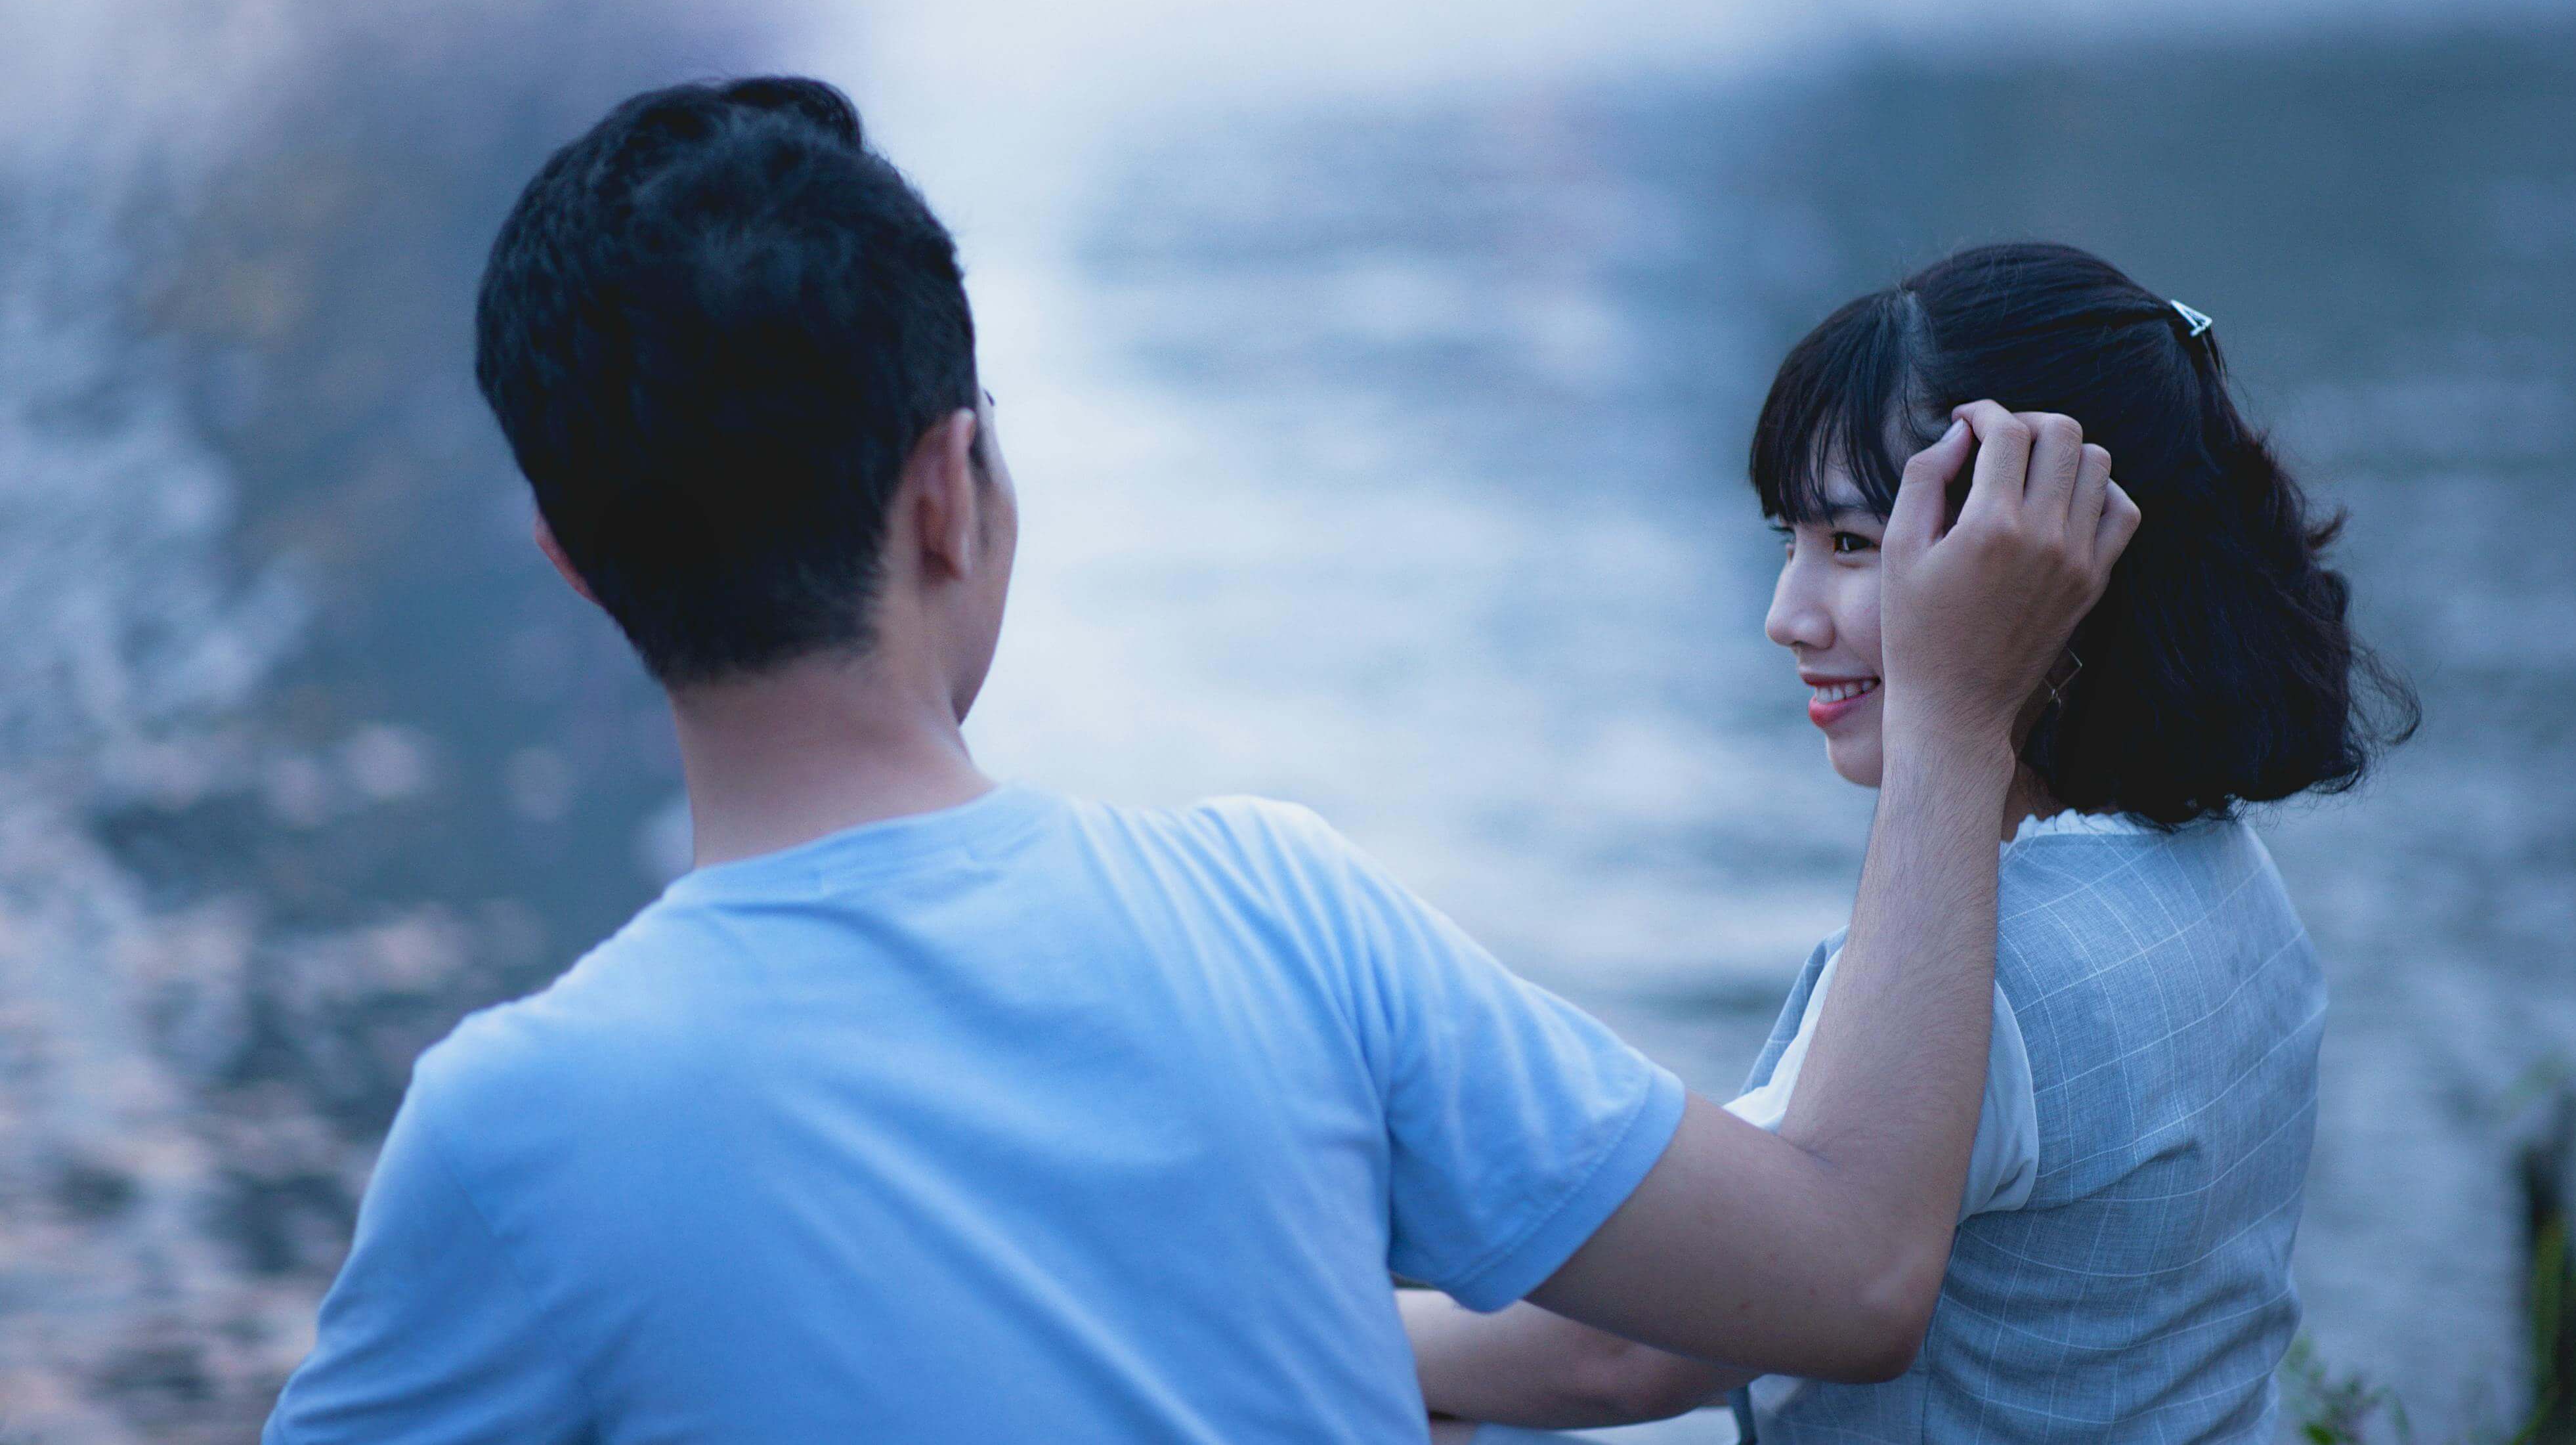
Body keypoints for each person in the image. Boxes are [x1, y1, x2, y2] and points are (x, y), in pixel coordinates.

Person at [260, 83, 2136, 1444]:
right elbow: (1849, 1276)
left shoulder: (506, 1142)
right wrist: (1962, 722)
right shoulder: (1268, 912)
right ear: (947, 491)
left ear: (575, 570)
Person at [1402, 242, 2418, 1444]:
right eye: (1793, 542)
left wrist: (1324, 1321)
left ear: (2046, 565)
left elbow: (1624, 1353)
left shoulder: (1978, 989)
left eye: (1855, 546)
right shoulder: (2221, 874)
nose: (1788, 617)